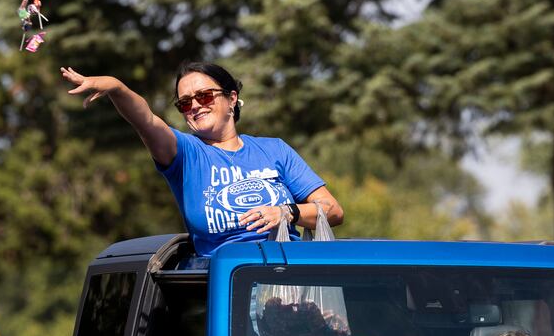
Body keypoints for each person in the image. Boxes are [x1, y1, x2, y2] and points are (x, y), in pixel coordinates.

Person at [60, 62, 343, 256]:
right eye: (185, 103)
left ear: (232, 99)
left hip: (290, 284)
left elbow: (333, 211)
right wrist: (116, 88)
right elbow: (145, 120)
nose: (195, 106)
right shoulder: (186, 154)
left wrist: (286, 212)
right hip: (228, 290)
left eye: (204, 96)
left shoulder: (274, 150)